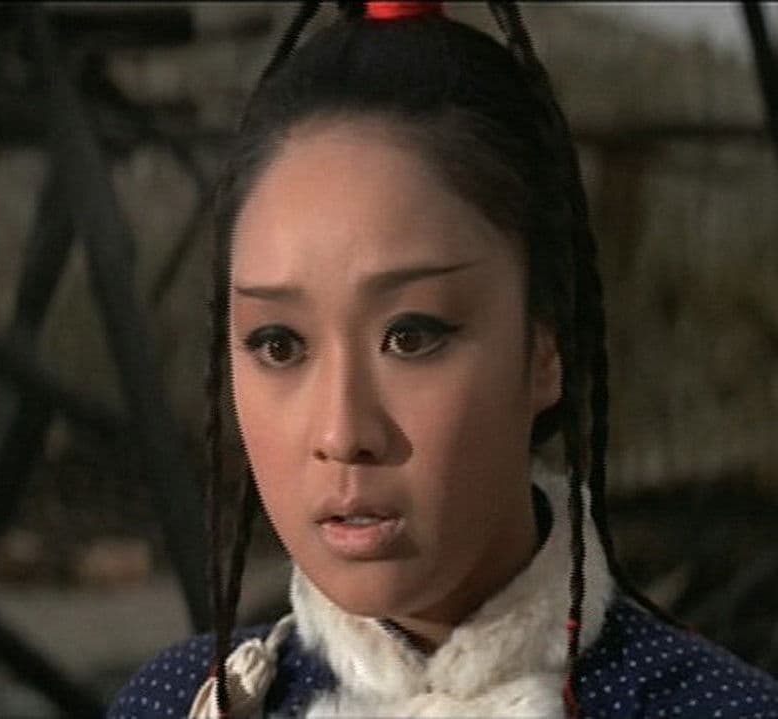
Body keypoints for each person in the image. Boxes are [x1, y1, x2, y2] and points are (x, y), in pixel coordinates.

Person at [109, 2, 778, 717]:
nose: (342, 432)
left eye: (411, 336)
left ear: (545, 346)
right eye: (280, 344)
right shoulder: (183, 701)